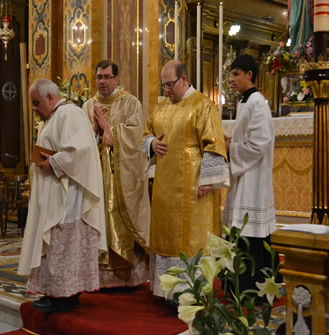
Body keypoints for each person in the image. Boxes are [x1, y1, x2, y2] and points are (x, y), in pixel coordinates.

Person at [18, 78, 107, 312]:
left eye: (37, 103)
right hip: (55, 191)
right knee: (56, 246)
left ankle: (64, 296)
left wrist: (54, 162)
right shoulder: (54, 117)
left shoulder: (69, 114)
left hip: (68, 197)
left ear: (50, 97)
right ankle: (56, 293)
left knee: (62, 244)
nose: (35, 109)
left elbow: (81, 151)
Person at [142, 60, 229, 298]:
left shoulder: (202, 105)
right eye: (163, 86)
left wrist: (208, 180)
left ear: (183, 79)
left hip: (194, 189)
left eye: (170, 84)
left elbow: (214, 143)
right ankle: (167, 291)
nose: (166, 90)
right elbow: (147, 132)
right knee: (166, 238)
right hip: (164, 188)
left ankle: (192, 291)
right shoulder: (162, 108)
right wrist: (151, 143)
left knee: (192, 240)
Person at [82, 60, 150, 288]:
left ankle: (124, 275)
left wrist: (109, 130)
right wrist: (93, 131)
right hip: (94, 177)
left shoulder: (131, 104)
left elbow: (137, 137)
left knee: (117, 217)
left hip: (120, 179)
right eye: (98, 77)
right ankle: (97, 276)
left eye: (106, 77)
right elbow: (80, 142)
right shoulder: (87, 106)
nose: (102, 82)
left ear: (116, 78)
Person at [222, 55, 277, 293]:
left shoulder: (258, 103)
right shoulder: (246, 102)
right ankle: (238, 287)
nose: (231, 79)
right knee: (241, 231)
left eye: (235, 74)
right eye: (231, 74)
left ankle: (251, 290)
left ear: (249, 75)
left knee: (251, 235)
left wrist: (229, 148)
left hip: (253, 181)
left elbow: (258, 144)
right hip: (244, 177)